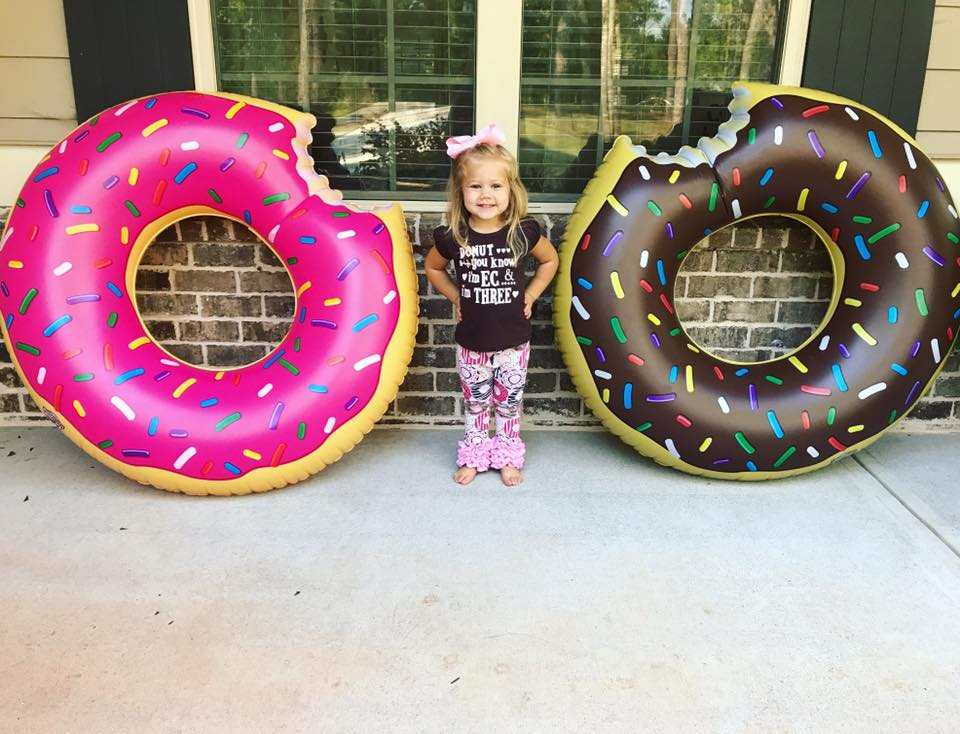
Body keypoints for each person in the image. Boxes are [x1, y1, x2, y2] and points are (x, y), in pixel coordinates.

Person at [424, 124, 559, 487]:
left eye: (496, 186)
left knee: (509, 404)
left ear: (510, 190)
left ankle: (507, 456)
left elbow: (550, 262)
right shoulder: (453, 236)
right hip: (471, 342)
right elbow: (433, 268)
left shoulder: (522, 232)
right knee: (475, 403)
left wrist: (530, 295)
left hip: (514, 341)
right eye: (476, 186)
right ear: (461, 191)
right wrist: (455, 296)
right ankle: (475, 455)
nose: (486, 195)